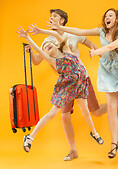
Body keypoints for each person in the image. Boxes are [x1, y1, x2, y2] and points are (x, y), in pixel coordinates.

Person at [26, 9, 118, 161]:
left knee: (95, 111)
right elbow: (38, 60)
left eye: (54, 17)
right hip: (65, 83)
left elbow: (89, 42)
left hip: (81, 78)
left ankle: (114, 106)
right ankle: (73, 150)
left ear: (62, 21)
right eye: (50, 16)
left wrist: (100, 53)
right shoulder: (47, 41)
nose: (51, 18)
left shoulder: (71, 35)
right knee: (64, 115)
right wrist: (31, 50)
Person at [50, 8, 118, 158]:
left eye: (110, 15)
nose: (107, 18)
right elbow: (79, 31)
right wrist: (60, 28)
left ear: (117, 19)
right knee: (111, 107)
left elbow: (112, 46)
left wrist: (97, 52)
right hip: (109, 71)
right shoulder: (101, 31)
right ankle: (114, 144)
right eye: (105, 16)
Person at [16, 26, 104, 155]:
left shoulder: (68, 50)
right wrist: (27, 37)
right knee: (53, 113)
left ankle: (94, 133)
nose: (47, 46)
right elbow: (37, 50)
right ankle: (30, 137)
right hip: (67, 88)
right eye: (45, 47)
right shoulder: (53, 61)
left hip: (79, 84)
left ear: (57, 45)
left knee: (85, 109)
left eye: (49, 44)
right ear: (45, 53)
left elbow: (56, 36)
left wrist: (41, 31)